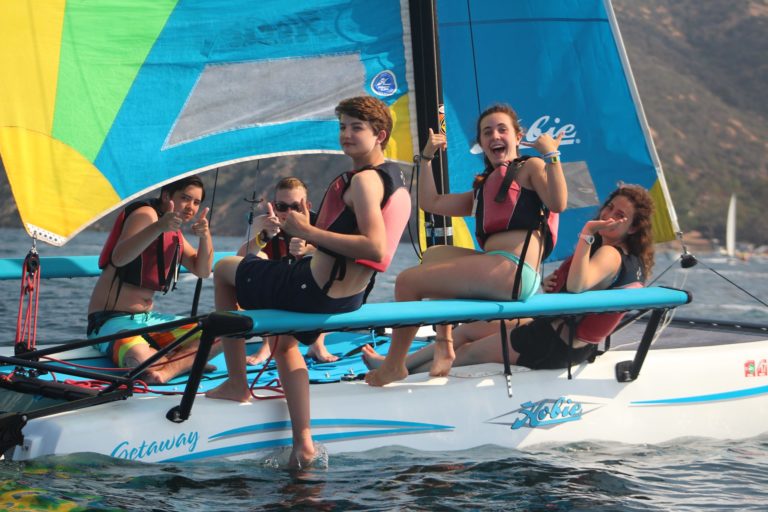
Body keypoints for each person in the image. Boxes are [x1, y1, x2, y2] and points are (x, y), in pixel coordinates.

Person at [206, 96, 411, 467]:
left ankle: (237, 384)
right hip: (348, 299)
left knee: (224, 269)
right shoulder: (397, 183)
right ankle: (304, 441)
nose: (346, 134)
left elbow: (375, 247)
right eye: (343, 126)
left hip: (314, 290)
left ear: (380, 135)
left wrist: (307, 231)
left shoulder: (365, 182)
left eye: (356, 127)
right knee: (283, 341)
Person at [365, 103, 567, 386]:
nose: (494, 136)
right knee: (435, 255)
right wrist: (425, 159)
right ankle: (432, 346)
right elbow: (430, 202)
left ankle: (395, 366)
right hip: (498, 268)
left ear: (518, 137)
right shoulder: (486, 186)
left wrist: (551, 155)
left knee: (408, 282)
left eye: (501, 129)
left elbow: (558, 203)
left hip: (512, 271)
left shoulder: (530, 167)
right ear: (481, 143)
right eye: (487, 132)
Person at [363, 184, 654, 373]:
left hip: (553, 344)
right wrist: (555, 286)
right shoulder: (632, 259)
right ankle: (395, 362)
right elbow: (579, 290)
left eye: (620, 215)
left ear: (632, 228)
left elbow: (578, 285)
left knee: (468, 353)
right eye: (609, 208)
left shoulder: (610, 254)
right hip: (561, 335)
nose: (610, 215)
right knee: (468, 331)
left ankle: (402, 380)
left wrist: (587, 233)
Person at [87, 175, 216, 384]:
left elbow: (202, 270)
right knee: (142, 362)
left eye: (196, 202)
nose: (190, 207)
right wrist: (158, 227)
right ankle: (182, 363)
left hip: (148, 323)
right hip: (111, 321)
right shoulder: (146, 215)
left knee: (219, 331)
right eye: (185, 198)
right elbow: (119, 258)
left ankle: (167, 368)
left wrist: (205, 236)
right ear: (166, 196)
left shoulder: (174, 231)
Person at [237, 176, 338, 364]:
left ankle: (318, 343)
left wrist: (307, 249)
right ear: (274, 207)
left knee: (327, 275)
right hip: (278, 286)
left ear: (307, 206)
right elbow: (240, 261)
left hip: (309, 286)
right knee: (258, 262)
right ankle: (267, 345)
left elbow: (336, 259)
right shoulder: (263, 223)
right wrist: (264, 237)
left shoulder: (320, 225)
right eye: (282, 207)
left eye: (296, 207)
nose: (289, 213)